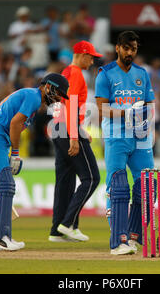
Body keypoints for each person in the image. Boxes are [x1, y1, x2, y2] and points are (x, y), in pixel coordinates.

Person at [0, 73, 69, 251]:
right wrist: (15, 154)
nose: (58, 99)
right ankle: (1, 237)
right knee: (4, 183)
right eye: (57, 94)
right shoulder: (33, 96)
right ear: (48, 86)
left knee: (0, 185)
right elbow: (15, 123)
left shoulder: (32, 98)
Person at [95, 31, 155, 255]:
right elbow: (101, 108)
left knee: (148, 185)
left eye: (134, 49)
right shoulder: (105, 74)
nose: (131, 53)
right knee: (118, 186)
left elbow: (150, 104)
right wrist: (126, 114)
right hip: (116, 136)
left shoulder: (142, 73)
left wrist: (144, 119)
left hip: (140, 136)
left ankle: (132, 235)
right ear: (118, 48)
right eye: (127, 48)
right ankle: (118, 240)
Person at [49, 41, 102, 243]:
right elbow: (71, 104)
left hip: (58, 127)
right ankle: (68, 223)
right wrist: (74, 136)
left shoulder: (66, 72)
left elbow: (61, 104)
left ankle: (57, 230)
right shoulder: (77, 73)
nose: (92, 61)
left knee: (65, 181)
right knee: (91, 178)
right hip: (67, 130)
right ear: (81, 54)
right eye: (91, 57)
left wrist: (79, 130)